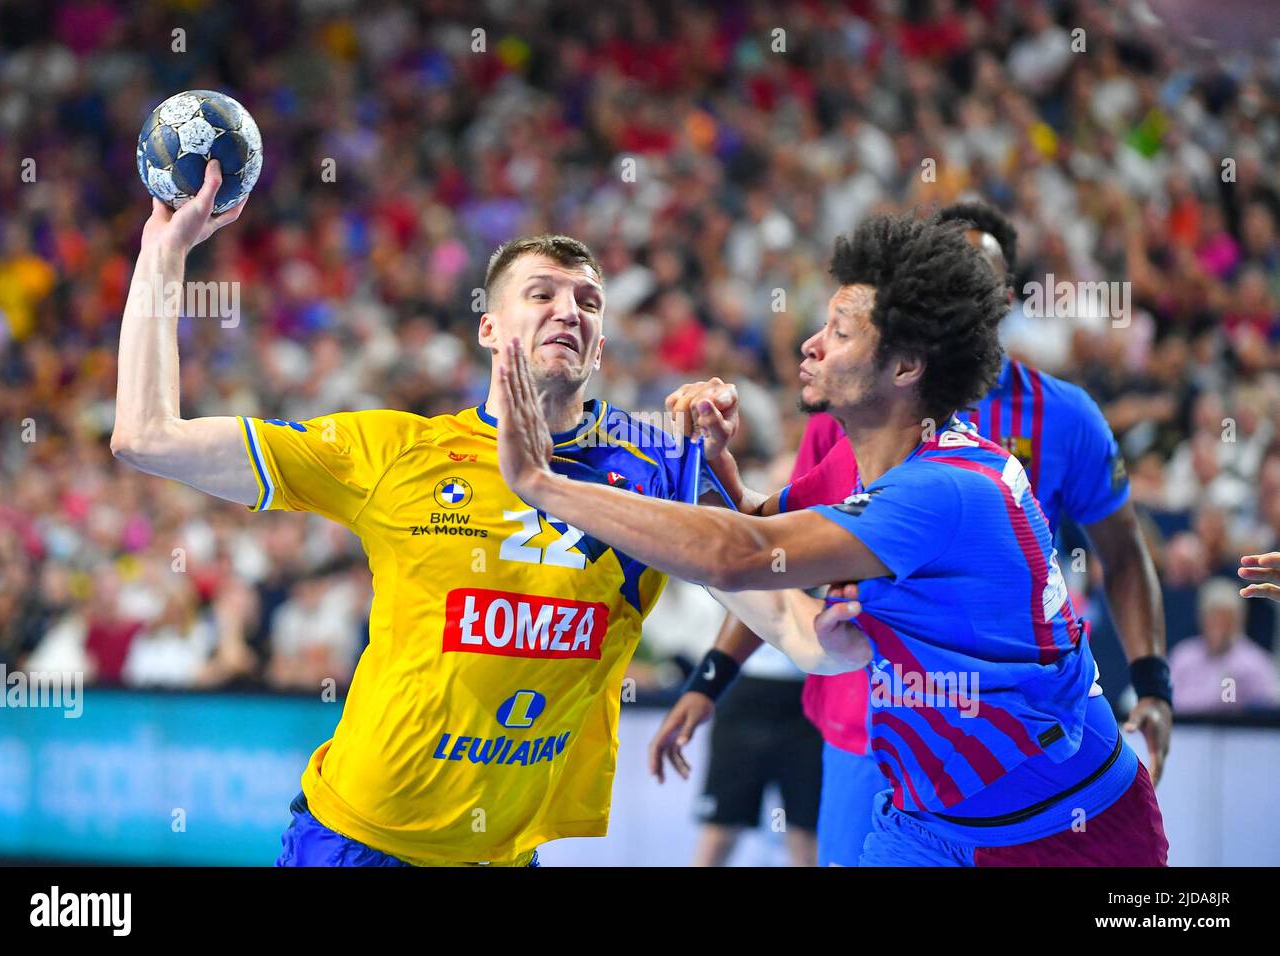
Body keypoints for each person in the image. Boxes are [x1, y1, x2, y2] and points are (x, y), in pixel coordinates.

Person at [495, 212, 1169, 865]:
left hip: (1064, 829)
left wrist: (544, 483)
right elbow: (759, 527)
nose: (811, 344)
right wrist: (711, 463)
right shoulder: (864, 462)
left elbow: (741, 557)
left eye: (839, 333)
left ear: (905, 367)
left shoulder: (949, 487)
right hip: (927, 823)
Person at [111, 160, 729, 866]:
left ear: (601, 342)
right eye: (542, 294)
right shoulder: (397, 450)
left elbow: (778, 596)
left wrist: (730, 483)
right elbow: (146, 437)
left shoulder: (660, 465)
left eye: (588, 301)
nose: (569, 310)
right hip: (357, 842)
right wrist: (163, 256)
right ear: (490, 330)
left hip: (501, 854)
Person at [1170, 578, 1280, 713]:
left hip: (1235, 731)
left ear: (1239, 621)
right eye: (1214, 619)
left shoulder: (1255, 663)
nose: (1219, 628)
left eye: (1226, 620)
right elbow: (1166, 703)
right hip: (1185, 731)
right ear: (1202, 619)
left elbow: (1269, 710)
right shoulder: (1183, 657)